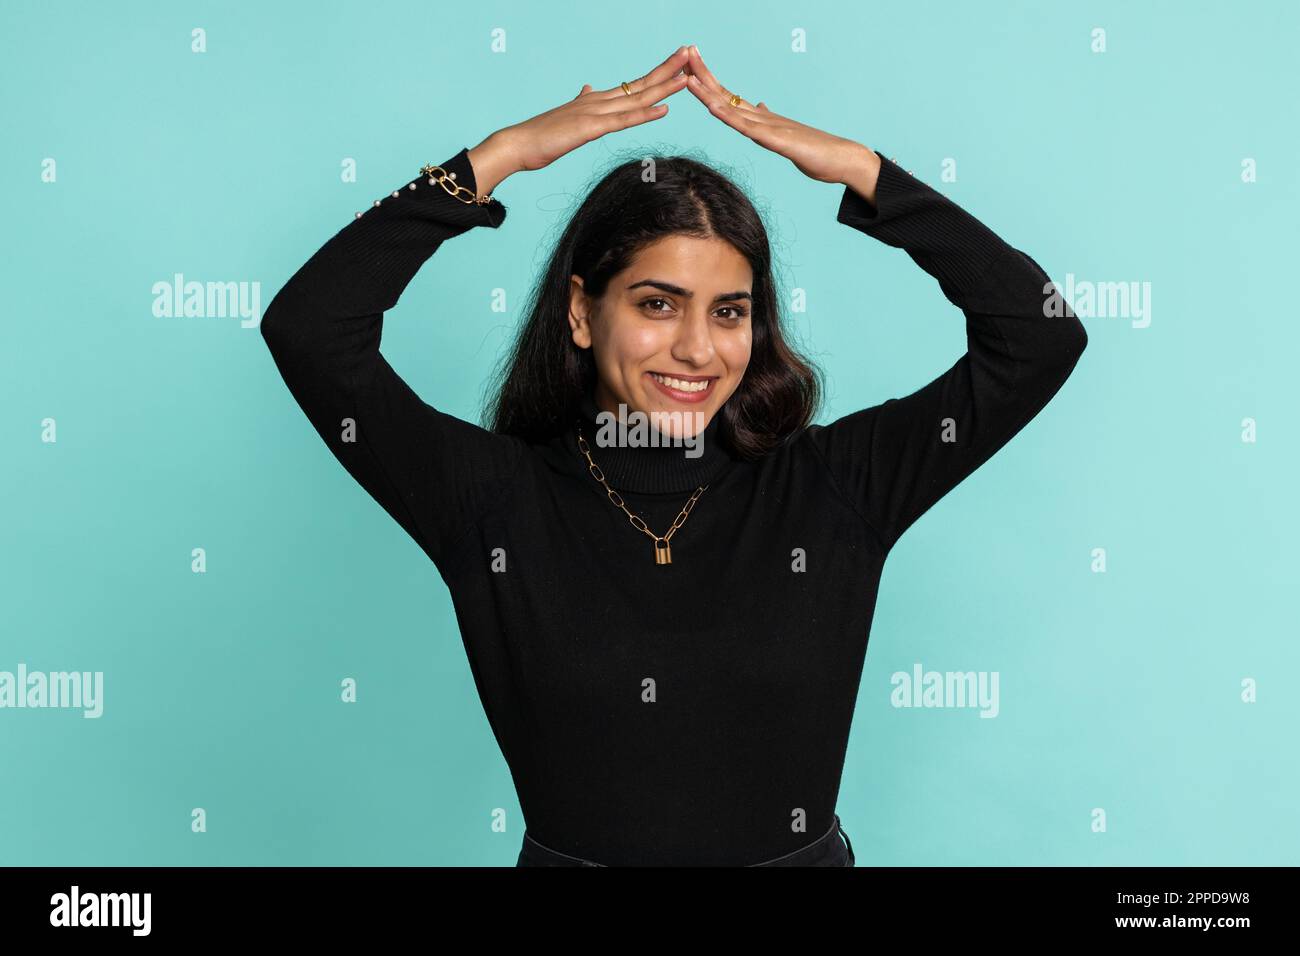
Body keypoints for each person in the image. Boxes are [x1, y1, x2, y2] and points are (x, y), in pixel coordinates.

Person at [259, 45, 1087, 867]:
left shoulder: (836, 489)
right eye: (658, 305)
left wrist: (865, 172)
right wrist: (500, 156)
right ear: (581, 312)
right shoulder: (494, 501)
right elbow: (309, 327)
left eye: (730, 312)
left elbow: (1039, 333)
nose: (697, 350)